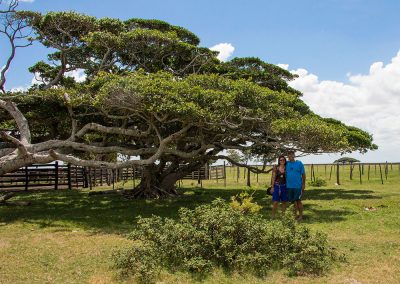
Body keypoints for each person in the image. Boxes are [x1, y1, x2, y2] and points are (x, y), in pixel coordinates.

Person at [285, 150, 306, 221]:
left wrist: (303, 184)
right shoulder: (286, 164)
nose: (290, 156)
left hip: (298, 186)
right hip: (289, 186)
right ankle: (294, 216)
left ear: (294, 155)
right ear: (287, 156)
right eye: (289, 154)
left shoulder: (299, 163)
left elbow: (303, 175)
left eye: (292, 154)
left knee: (298, 201)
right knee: (292, 202)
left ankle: (301, 216)